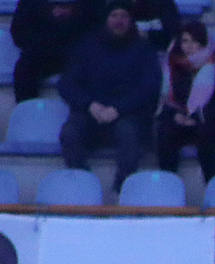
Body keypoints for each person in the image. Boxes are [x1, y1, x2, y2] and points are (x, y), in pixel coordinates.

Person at [58, 0, 161, 193]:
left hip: (128, 115)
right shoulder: (87, 46)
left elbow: (149, 88)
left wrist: (118, 109)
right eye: (114, 16)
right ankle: (83, 186)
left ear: (131, 21)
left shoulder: (144, 49)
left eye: (123, 16)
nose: (119, 21)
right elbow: (66, 84)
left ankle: (122, 189)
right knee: (69, 133)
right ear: (106, 19)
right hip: (91, 113)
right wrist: (90, 105)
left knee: (129, 133)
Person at [155, 20, 215, 185]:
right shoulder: (172, 63)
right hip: (180, 117)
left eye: (195, 41)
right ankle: (168, 186)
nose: (189, 46)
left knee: (207, 135)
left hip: (209, 119)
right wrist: (176, 115)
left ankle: (212, 186)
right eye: (185, 41)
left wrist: (196, 117)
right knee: (165, 132)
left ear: (203, 42)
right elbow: (168, 100)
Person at [10, 0, 93, 103]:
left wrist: (73, 14)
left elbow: (97, 25)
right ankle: (28, 113)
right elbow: (19, 31)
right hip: (42, 51)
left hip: (78, 51)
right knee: (25, 69)